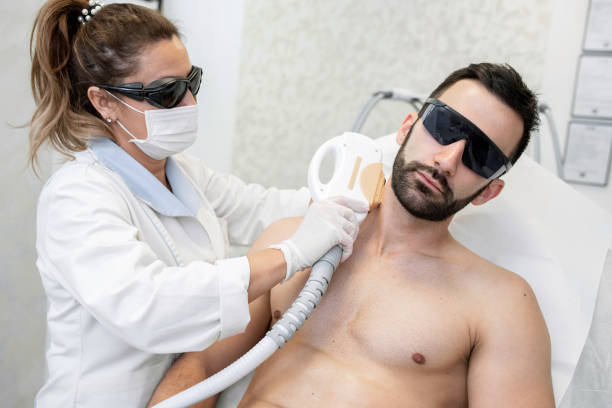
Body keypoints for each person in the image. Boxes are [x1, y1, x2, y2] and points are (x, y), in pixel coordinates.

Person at [149, 63, 556, 407]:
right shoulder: (290, 242)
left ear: (489, 190)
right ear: (407, 127)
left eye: (480, 156)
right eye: (446, 127)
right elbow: (199, 368)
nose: (447, 160)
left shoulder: (501, 303)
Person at [29, 1, 366, 406]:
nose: (189, 103)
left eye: (191, 82)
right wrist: (289, 254)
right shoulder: (77, 196)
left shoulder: (180, 171)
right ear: (104, 102)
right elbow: (149, 307)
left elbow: (261, 207)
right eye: (166, 93)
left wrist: (371, 175)